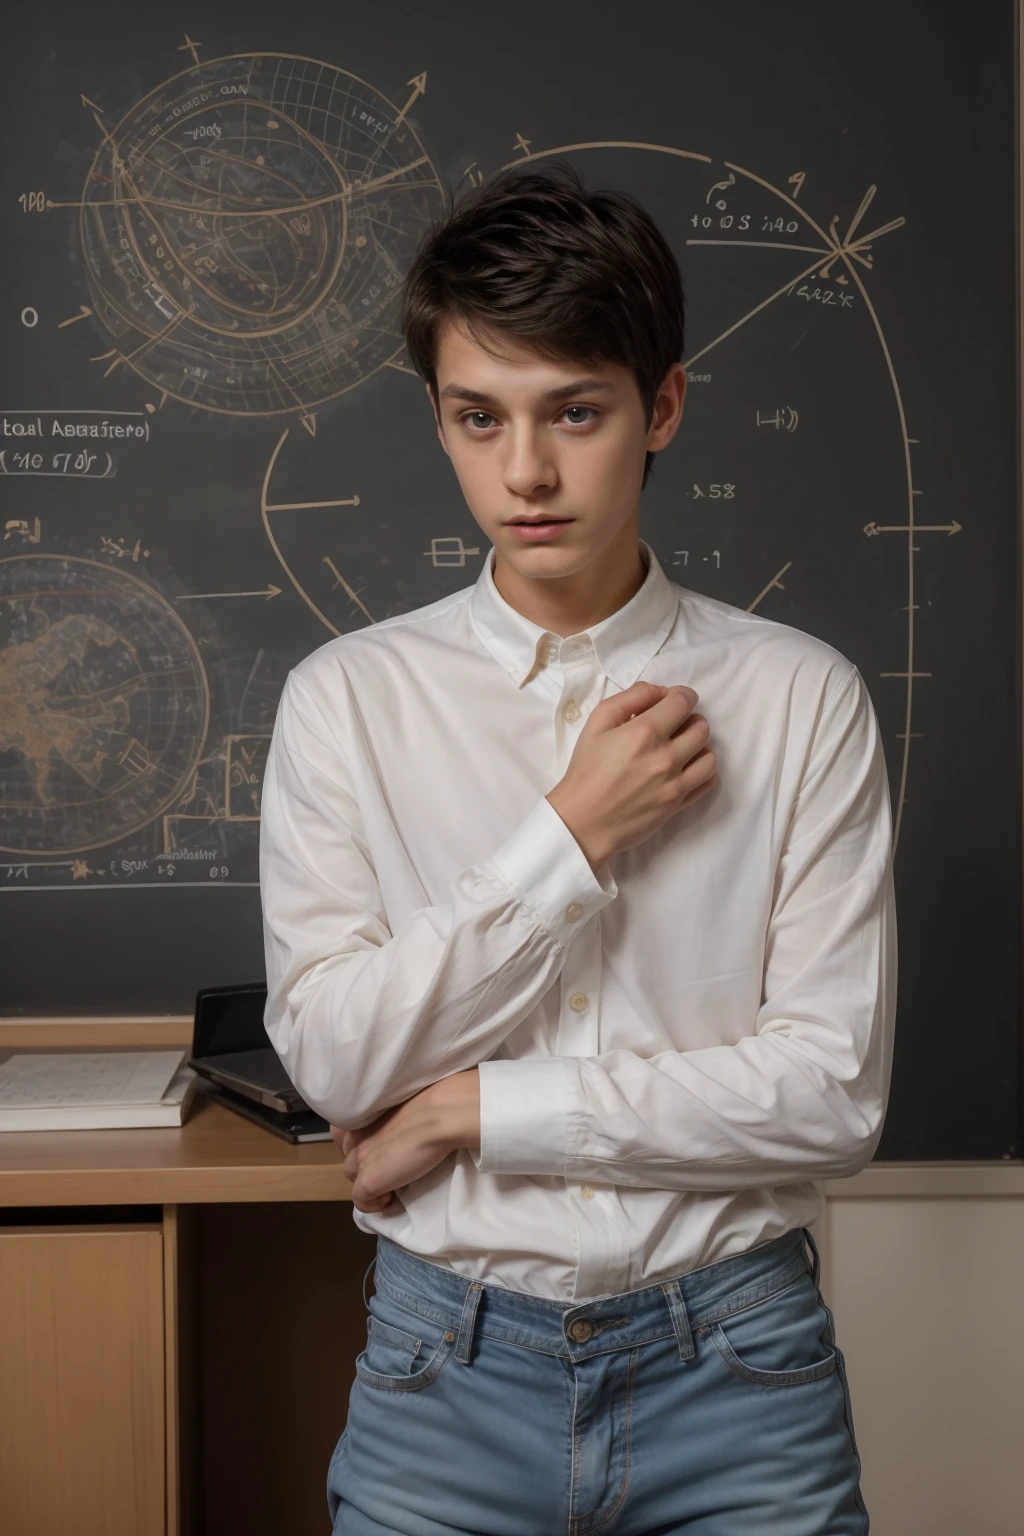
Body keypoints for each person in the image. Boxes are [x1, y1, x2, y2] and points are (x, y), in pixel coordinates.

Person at [258, 162, 896, 1535]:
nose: (525, 472)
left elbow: (831, 1094)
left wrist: (464, 1112)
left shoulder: (799, 696)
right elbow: (329, 1057)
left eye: (576, 414)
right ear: (437, 415)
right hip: (444, 1372)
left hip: (740, 1370)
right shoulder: (349, 700)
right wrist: (571, 837)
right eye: (478, 419)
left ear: (662, 405)